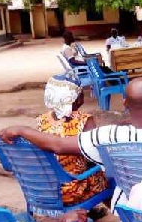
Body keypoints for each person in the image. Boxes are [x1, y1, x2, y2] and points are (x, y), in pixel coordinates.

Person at [0, 77, 142, 170]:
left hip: (129, 209)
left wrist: (21, 129)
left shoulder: (106, 135)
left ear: (124, 103)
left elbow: (58, 144)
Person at [38, 75, 109, 206]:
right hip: (73, 189)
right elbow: (94, 154)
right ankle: (117, 214)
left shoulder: (41, 121)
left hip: (48, 189)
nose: (83, 96)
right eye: (80, 93)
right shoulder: (84, 120)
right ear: (74, 100)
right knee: (108, 174)